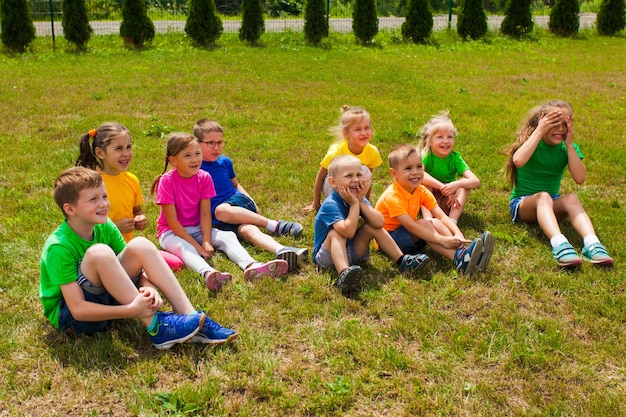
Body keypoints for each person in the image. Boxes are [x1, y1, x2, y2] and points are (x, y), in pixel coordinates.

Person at [40, 167, 237, 350]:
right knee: (99, 253)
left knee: (140, 245)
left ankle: (191, 317)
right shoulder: (59, 246)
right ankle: (156, 326)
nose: (104, 204)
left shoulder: (105, 225)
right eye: (93, 199)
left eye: (104, 196)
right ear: (70, 209)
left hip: (109, 298)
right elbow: (78, 310)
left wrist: (148, 287)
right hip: (75, 320)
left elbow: (134, 266)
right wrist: (131, 310)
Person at [150, 132, 289, 291]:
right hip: (171, 233)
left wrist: (207, 240)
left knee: (227, 236)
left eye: (197, 153)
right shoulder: (167, 181)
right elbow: (172, 222)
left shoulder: (204, 177)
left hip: (197, 228)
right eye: (187, 155)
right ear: (173, 160)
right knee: (184, 247)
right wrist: (198, 246)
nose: (195, 159)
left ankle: (252, 265)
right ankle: (208, 273)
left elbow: (204, 214)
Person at [504, 99, 613, 267]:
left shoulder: (567, 148)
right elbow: (518, 160)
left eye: (565, 124)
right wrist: (539, 131)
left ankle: (592, 244)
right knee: (543, 197)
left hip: (550, 202)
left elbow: (580, 178)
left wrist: (569, 145)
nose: (560, 129)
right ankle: (559, 244)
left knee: (572, 199)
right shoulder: (533, 143)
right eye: (554, 123)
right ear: (543, 120)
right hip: (523, 205)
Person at [194, 118, 308, 272]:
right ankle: (283, 250)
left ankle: (275, 225)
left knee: (221, 210)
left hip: (236, 203)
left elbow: (235, 184)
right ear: (197, 142)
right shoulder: (194, 167)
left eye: (220, 142)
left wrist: (250, 199)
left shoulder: (224, 162)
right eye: (211, 143)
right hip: (219, 218)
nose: (216, 147)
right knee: (246, 231)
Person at [313, 155, 430, 296]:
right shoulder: (331, 204)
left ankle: (403, 261)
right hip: (328, 256)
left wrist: (361, 201)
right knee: (336, 233)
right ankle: (343, 274)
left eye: (358, 174)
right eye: (348, 176)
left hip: (351, 251)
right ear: (333, 182)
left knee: (372, 227)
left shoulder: (358, 198)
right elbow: (348, 232)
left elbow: (380, 223)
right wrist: (355, 205)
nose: (355, 180)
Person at [75, 122, 184, 271]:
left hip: (127, 248)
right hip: (101, 254)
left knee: (176, 263)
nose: (126, 153)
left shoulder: (131, 180)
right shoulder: (92, 185)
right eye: (118, 148)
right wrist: (115, 228)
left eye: (129, 147)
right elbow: (83, 227)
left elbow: (136, 209)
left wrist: (140, 217)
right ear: (100, 153)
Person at [375, 144, 493, 275]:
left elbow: (441, 216)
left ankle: (464, 253)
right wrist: (442, 240)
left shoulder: (421, 190)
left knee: (435, 222)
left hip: (408, 236)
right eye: (408, 168)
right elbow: (411, 226)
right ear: (394, 173)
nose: (415, 172)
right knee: (426, 224)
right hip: (389, 242)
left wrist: (458, 235)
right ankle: (458, 258)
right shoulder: (392, 196)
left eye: (419, 166)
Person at [303, 105, 383, 213]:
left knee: (364, 171)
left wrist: (365, 202)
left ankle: (357, 203)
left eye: (367, 128)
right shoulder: (336, 152)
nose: (364, 133)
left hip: (354, 188)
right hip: (333, 187)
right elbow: (320, 177)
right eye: (358, 129)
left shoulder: (372, 151)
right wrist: (315, 203)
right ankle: (339, 205)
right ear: (346, 134)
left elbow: (368, 180)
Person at [416, 111, 480, 223]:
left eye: (450, 137)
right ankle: (429, 220)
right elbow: (419, 174)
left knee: (464, 186)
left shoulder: (455, 158)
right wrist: (443, 187)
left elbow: (475, 181)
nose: (445, 141)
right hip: (426, 201)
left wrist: (457, 184)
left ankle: (452, 221)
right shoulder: (426, 155)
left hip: (447, 201)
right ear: (430, 141)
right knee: (426, 185)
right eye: (440, 137)